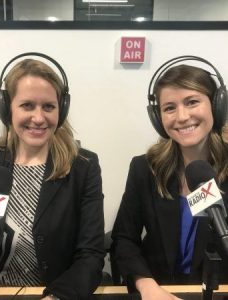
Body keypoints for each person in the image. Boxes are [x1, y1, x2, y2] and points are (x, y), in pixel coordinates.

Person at [0, 53, 105, 300]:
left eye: (48, 106)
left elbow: (90, 255)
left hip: (52, 295)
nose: (38, 118)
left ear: (62, 109)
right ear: (7, 108)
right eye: (27, 105)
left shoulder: (83, 167)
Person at [111, 56, 228, 300]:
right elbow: (124, 239)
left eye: (192, 102)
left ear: (217, 105)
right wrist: (147, 286)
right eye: (169, 107)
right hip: (158, 290)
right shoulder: (145, 168)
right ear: (157, 117)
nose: (182, 116)